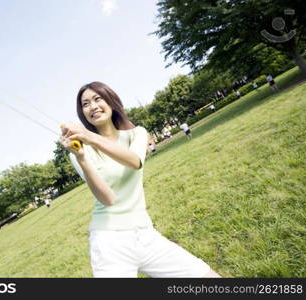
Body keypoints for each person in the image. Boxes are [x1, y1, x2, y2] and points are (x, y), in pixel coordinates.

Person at [60, 81, 220, 278]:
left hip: (145, 234)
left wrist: (91, 138)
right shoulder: (80, 152)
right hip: (109, 242)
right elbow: (107, 199)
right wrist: (82, 158)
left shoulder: (137, 133)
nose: (92, 106)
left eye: (97, 99)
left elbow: (134, 161)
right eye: (85, 104)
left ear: (110, 102)